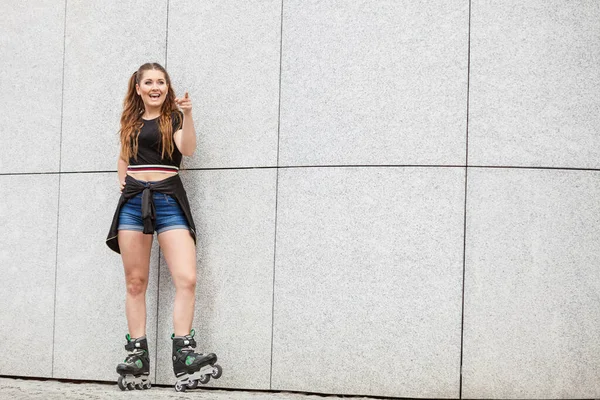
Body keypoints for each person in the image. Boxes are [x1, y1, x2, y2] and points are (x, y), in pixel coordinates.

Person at [106, 62, 221, 392]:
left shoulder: (175, 118)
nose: (155, 86)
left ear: (167, 88)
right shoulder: (130, 122)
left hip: (169, 199)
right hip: (134, 203)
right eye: (149, 81)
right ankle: (138, 356)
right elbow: (123, 158)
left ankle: (184, 353)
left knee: (187, 277)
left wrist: (189, 114)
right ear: (139, 88)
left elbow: (187, 149)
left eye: (161, 81)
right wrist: (124, 184)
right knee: (135, 281)